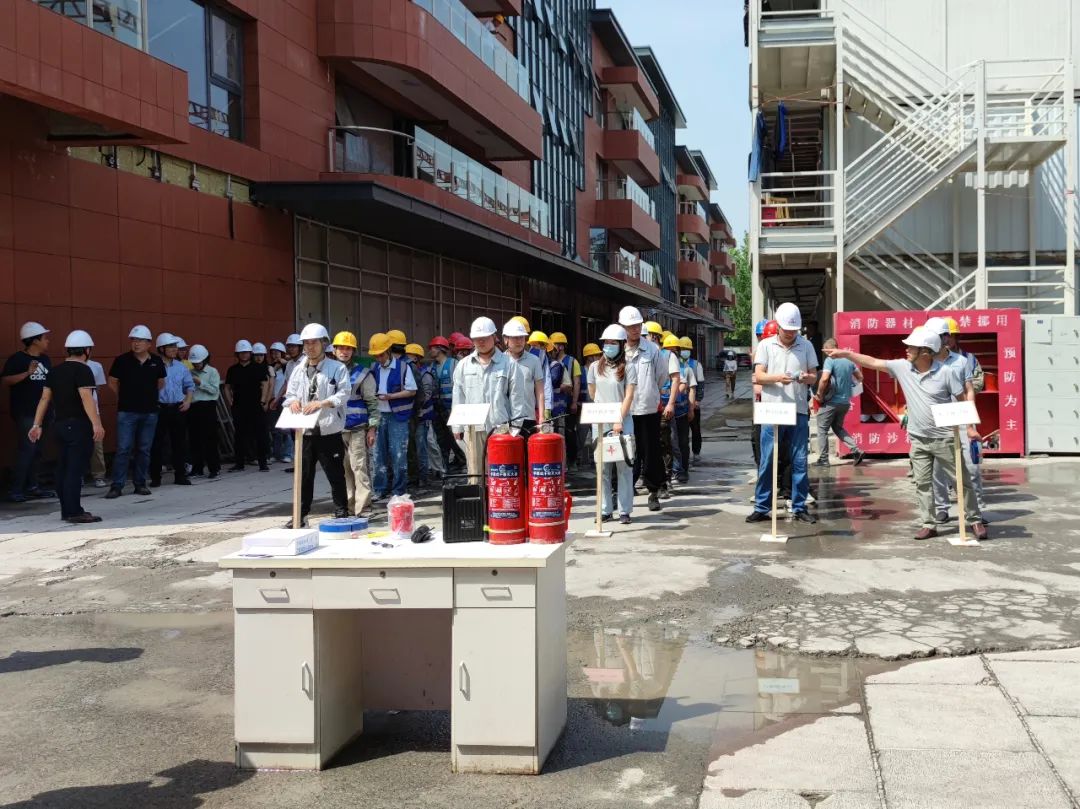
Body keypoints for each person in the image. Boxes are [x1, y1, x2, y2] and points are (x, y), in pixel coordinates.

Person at [826, 327, 987, 540]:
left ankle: (974, 519)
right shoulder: (903, 367)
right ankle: (929, 523)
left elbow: (961, 401)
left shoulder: (947, 373)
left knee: (961, 480)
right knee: (922, 483)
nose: (907, 350)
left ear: (925, 352)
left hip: (945, 438)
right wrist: (846, 354)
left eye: (911, 347)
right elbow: (872, 362)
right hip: (918, 439)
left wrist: (969, 428)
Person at [746, 302, 818, 526]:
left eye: (794, 330)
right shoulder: (766, 345)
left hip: (798, 411)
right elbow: (759, 376)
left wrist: (805, 378)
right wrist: (778, 378)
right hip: (772, 410)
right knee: (767, 459)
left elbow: (814, 375)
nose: (790, 334)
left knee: (799, 460)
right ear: (778, 326)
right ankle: (762, 506)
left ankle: (799, 506)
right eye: (787, 330)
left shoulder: (806, 346)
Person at [28, 330, 104, 523]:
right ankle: (74, 512)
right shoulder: (83, 370)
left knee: (63, 468)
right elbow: (87, 398)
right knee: (74, 470)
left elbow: (44, 399)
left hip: (59, 425)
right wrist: (97, 424)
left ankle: (67, 510)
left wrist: (36, 424)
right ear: (87, 350)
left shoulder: (55, 371)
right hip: (78, 425)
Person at [282, 323, 350, 527]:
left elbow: (344, 393)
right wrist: (293, 401)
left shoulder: (337, 368)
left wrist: (322, 403)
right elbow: (290, 394)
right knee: (303, 476)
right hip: (305, 432)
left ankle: (341, 512)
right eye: (307, 343)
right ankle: (300, 514)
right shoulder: (298, 369)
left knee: (335, 474)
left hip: (328, 430)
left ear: (324, 344)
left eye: (314, 343)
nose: (310, 347)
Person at [925, 317, 986, 522]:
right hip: (936, 419)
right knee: (937, 469)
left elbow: (970, 390)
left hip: (961, 417)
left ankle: (975, 511)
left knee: (971, 466)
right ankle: (942, 508)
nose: (947, 340)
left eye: (949, 336)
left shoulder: (963, 360)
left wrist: (970, 421)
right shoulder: (925, 361)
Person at [620, 306, 679, 511]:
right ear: (623, 327)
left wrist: (649, 392)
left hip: (647, 409)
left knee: (651, 451)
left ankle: (654, 491)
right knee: (627, 452)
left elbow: (661, 376)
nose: (635, 329)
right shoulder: (619, 350)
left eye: (637, 325)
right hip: (625, 410)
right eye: (631, 326)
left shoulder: (652, 350)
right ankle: (624, 491)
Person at [451, 317, 522, 474]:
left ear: (494, 337)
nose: (481, 341)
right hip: (473, 429)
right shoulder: (463, 366)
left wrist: (515, 428)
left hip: (501, 428)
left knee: (501, 475)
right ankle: (479, 492)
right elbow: (458, 397)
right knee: (476, 474)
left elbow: (517, 398)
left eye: (485, 337)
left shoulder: (509, 364)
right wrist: (457, 427)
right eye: (477, 338)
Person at [106, 325, 166, 499]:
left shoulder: (156, 361)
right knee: (123, 448)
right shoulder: (122, 360)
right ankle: (117, 485)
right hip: (127, 412)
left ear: (149, 344)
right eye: (133, 340)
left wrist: (148, 396)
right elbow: (112, 381)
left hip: (150, 412)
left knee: (144, 449)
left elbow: (161, 382)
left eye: (140, 340)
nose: (136, 343)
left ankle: (140, 483)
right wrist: (124, 396)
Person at [587, 325, 637, 525]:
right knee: (602, 468)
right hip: (601, 422)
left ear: (621, 344)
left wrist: (618, 418)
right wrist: (603, 413)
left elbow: (629, 396)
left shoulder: (628, 367)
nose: (609, 346)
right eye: (606, 342)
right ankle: (605, 509)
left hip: (622, 422)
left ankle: (624, 510)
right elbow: (593, 393)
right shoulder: (594, 367)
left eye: (613, 343)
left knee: (623, 467)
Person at [3, 321, 54, 502]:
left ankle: (34, 486)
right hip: (26, 413)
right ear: (34, 340)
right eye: (44, 337)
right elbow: (6, 380)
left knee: (38, 451)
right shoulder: (17, 359)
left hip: (44, 412)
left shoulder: (45, 359)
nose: (47, 340)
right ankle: (16, 490)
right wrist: (27, 373)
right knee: (27, 450)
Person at [334, 332, 379, 518]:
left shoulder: (362, 373)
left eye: (348, 348)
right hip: (336, 429)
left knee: (359, 468)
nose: (344, 352)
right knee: (343, 470)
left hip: (358, 428)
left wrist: (372, 428)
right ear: (334, 350)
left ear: (353, 351)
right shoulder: (329, 371)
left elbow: (372, 403)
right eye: (341, 348)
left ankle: (364, 509)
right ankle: (349, 507)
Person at [369, 332, 416, 499]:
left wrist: (391, 397)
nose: (379, 359)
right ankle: (380, 489)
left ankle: (399, 491)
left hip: (398, 417)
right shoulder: (374, 368)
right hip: (379, 416)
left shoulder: (403, 368)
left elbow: (412, 391)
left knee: (398, 455)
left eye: (381, 355)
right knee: (378, 454)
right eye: (376, 356)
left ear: (388, 351)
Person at [149, 333, 194, 487]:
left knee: (179, 443)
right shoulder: (153, 365)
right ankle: (155, 477)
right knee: (157, 443)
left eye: (176, 346)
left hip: (177, 408)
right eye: (171, 346)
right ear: (161, 349)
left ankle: (180, 475)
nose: (175, 349)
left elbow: (190, 386)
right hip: (159, 408)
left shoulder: (181, 367)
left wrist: (188, 401)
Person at [814, 338, 865, 467]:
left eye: (825, 350)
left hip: (831, 402)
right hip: (845, 402)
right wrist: (849, 384)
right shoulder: (849, 361)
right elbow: (860, 377)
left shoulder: (830, 360)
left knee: (822, 429)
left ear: (828, 348)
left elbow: (824, 379)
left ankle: (823, 459)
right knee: (838, 427)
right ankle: (856, 450)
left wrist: (819, 394)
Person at [223, 340, 270, 472]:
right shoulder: (232, 370)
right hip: (239, 406)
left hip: (256, 405)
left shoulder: (258, 367)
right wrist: (230, 402)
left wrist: (263, 400)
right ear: (237, 354)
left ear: (250, 353)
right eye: (241, 353)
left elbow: (265, 384)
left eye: (246, 352)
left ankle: (263, 463)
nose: (244, 355)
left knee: (260, 434)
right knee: (240, 435)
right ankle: (239, 463)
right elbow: (227, 387)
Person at [660, 334, 695, 485]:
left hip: (680, 412)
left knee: (680, 443)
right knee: (665, 443)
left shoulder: (685, 369)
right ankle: (667, 471)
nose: (671, 352)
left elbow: (690, 388)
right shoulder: (661, 364)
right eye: (669, 349)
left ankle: (681, 470)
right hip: (663, 411)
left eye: (674, 350)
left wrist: (690, 408)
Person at [503, 318, 545, 434]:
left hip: (528, 418)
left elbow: (540, 390)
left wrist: (542, 416)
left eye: (521, 337)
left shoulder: (534, 361)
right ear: (506, 339)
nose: (519, 341)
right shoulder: (500, 362)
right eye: (515, 337)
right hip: (506, 419)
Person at [429, 335, 465, 471]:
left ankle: (463, 462)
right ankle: (444, 465)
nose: (430, 351)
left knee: (454, 436)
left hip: (451, 408)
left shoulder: (453, 364)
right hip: (437, 408)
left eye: (433, 348)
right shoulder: (432, 366)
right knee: (441, 438)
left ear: (440, 349)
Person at [186, 344, 221, 480]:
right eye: (194, 363)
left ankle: (214, 468)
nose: (196, 365)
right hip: (193, 407)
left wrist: (200, 383)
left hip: (208, 406)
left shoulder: (212, 372)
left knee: (210, 439)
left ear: (205, 360)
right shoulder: (189, 372)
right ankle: (197, 468)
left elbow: (215, 390)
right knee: (194, 439)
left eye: (199, 362)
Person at [406, 342, 437, 488]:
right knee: (412, 448)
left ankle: (423, 478)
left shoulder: (425, 375)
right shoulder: (409, 373)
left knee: (421, 448)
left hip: (422, 417)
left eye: (409, 356)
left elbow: (426, 396)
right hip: (413, 416)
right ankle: (415, 477)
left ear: (417, 357)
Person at [551, 332, 581, 465]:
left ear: (561, 346)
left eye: (554, 345)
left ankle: (572, 460)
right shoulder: (550, 362)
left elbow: (577, 382)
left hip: (568, 403)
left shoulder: (572, 362)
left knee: (569, 431)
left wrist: (574, 402)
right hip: (554, 404)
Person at [85, 349, 108, 487]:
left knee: (97, 443)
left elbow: (98, 388)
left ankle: (99, 475)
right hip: (74, 412)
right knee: (77, 444)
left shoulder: (96, 366)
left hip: (94, 410)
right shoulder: (68, 365)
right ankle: (78, 475)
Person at [577, 342, 602, 468]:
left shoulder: (600, 371)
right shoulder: (581, 371)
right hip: (584, 407)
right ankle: (581, 459)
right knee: (582, 434)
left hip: (597, 407)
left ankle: (597, 459)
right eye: (595, 355)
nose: (598, 357)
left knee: (598, 434)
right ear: (588, 357)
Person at [681, 336, 705, 461]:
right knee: (682, 431)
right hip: (680, 403)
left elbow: (700, 384)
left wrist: (697, 400)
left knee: (695, 429)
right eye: (682, 348)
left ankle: (696, 452)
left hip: (693, 403)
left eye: (686, 349)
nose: (684, 351)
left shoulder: (696, 365)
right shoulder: (676, 363)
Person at [267, 341, 291, 463]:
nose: (275, 355)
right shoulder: (270, 367)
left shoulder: (288, 366)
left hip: (284, 399)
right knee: (275, 429)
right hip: (273, 399)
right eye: (273, 353)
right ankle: (276, 454)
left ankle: (287, 453)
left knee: (285, 429)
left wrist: (283, 362)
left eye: (277, 353)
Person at [527, 330, 555, 421]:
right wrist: (547, 406)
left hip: (533, 404)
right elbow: (546, 383)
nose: (545, 349)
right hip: (536, 405)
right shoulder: (539, 355)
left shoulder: (539, 357)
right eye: (543, 346)